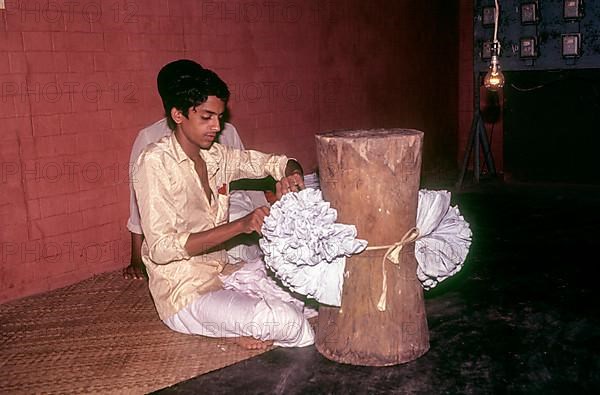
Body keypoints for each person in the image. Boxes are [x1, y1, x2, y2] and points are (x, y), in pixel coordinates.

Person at [133, 65, 314, 349]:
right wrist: (241, 226)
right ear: (178, 115)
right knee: (290, 322)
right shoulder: (154, 163)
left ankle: (235, 324)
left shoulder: (216, 156)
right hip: (184, 292)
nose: (217, 127)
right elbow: (161, 248)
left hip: (223, 272)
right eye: (206, 117)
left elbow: (272, 163)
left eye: (218, 117)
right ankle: (234, 327)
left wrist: (292, 174)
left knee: (308, 290)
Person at [124, 60, 266, 280]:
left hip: (229, 206)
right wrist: (136, 259)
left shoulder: (226, 131)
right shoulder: (150, 141)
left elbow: (251, 180)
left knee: (241, 238)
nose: (214, 125)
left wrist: (267, 222)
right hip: (188, 227)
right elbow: (140, 206)